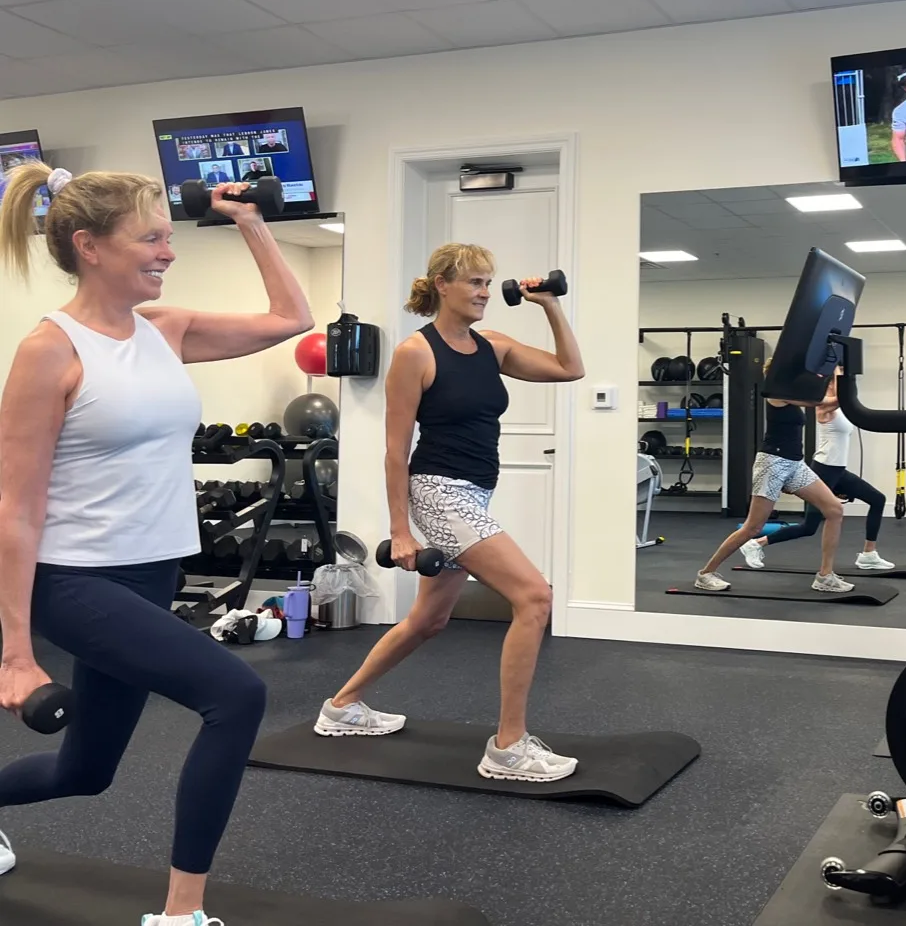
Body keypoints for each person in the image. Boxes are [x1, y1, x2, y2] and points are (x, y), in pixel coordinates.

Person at [0, 163, 314, 924]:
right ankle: (181, 915)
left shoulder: (164, 329)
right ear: (90, 245)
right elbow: (13, 506)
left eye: (168, 238)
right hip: (74, 581)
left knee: (88, 771)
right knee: (236, 695)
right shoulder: (49, 351)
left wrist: (249, 221)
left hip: (152, 571)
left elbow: (291, 317)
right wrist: (14, 650)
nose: (166, 252)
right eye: (150, 238)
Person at [314, 244, 586, 783]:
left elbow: (569, 369)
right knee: (534, 597)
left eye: (490, 282)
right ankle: (508, 747)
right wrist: (400, 530)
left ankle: (341, 707)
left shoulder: (494, 347)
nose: (486, 291)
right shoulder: (417, 352)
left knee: (428, 620)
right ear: (441, 283)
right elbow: (395, 448)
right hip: (439, 490)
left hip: (475, 492)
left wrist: (550, 303)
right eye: (475, 282)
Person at [694, 367, 852, 593]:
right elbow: (820, 400)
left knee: (834, 510)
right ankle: (706, 573)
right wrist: (837, 375)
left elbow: (829, 402)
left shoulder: (792, 397)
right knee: (753, 527)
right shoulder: (776, 394)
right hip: (772, 462)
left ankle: (825, 577)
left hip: (795, 464)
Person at [737, 366, 894, 572]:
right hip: (824, 469)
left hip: (838, 471)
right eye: (835, 381)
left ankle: (868, 554)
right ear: (830, 382)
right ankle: (755, 544)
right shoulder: (823, 407)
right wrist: (838, 369)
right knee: (809, 528)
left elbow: (846, 400)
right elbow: (841, 397)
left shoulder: (842, 407)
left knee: (877, 499)